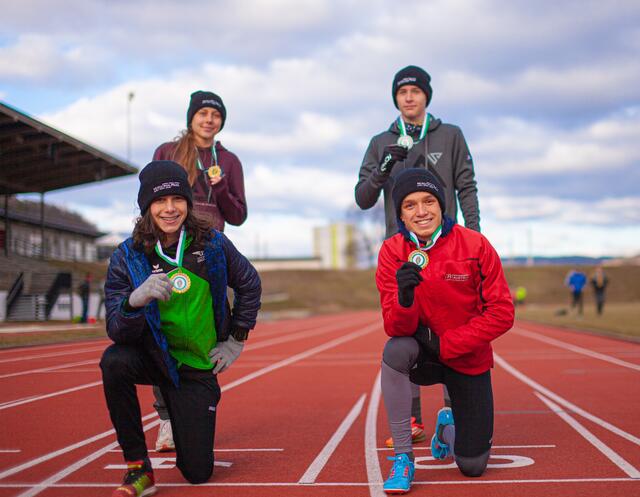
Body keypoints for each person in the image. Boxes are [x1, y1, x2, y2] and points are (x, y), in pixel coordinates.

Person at [101, 161, 261, 497]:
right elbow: (116, 326)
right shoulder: (129, 256)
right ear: (147, 207)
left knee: (198, 473)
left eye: (177, 199)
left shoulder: (213, 245)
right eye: (160, 201)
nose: (170, 209)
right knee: (114, 361)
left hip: (195, 366)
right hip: (155, 357)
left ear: (188, 203)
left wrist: (236, 339)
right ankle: (137, 470)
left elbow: (250, 284)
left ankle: (179, 410)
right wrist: (134, 300)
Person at [355, 65, 481, 447]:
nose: (409, 97)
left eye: (415, 91)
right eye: (402, 92)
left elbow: (466, 187)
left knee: (454, 326)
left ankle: (454, 410)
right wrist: (383, 169)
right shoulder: (380, 141)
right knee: (406, 327)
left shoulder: (451, 134)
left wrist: (473, 236)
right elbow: (362, 198)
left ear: (427, 96)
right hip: (402, 252)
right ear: (395, 98)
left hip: (450, 249)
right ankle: (410, 420)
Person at [376, 168, 513, 494]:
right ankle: (403, 457)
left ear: (442, 204)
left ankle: (447, 427)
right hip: (421, 353)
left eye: (428, 201)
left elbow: (502, 312)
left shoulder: (475, 244)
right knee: (394, 351)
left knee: (473, 465)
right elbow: (395, 328)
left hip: (466, 356)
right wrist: (405, 300)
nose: (421, 211)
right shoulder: (392, 251)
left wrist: (447, 343)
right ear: (400, 215)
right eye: (409, 205)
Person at [152, 90, 248, 451]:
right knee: (163, 334)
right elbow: (150, 200)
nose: (209, 120)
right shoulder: (167, 152)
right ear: (191, 117)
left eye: (215, 114)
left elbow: (238, 215)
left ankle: (194, 413)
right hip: (168, 252)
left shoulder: (230, 160)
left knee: (205, 340)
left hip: (209, 256)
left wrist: (220, 183)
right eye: (203, 113)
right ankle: (166, 421)